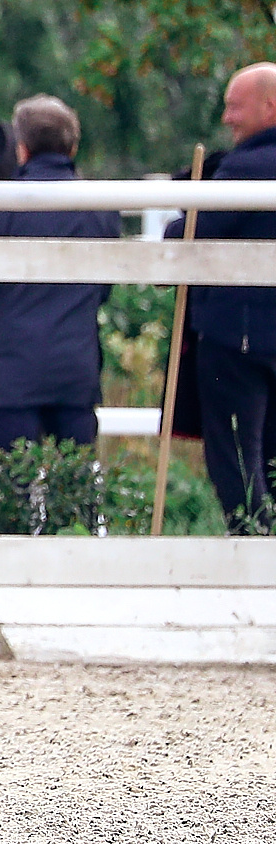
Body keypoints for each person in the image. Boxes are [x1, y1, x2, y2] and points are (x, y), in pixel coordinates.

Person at [0, 97, 115, 452]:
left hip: (8, 377)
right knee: (76, 478)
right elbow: (103, 290)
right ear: (73, 147)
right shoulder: (101, 209)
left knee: (13, 480)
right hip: (75, 372)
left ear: (21, 148)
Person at [184, 62, 276, 528]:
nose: (227, 119)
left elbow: (188, 234)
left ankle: (254, 547)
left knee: (236, 457)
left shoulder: (245, 167)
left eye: (234, 107)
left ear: (270, 107)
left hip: (237, 339)